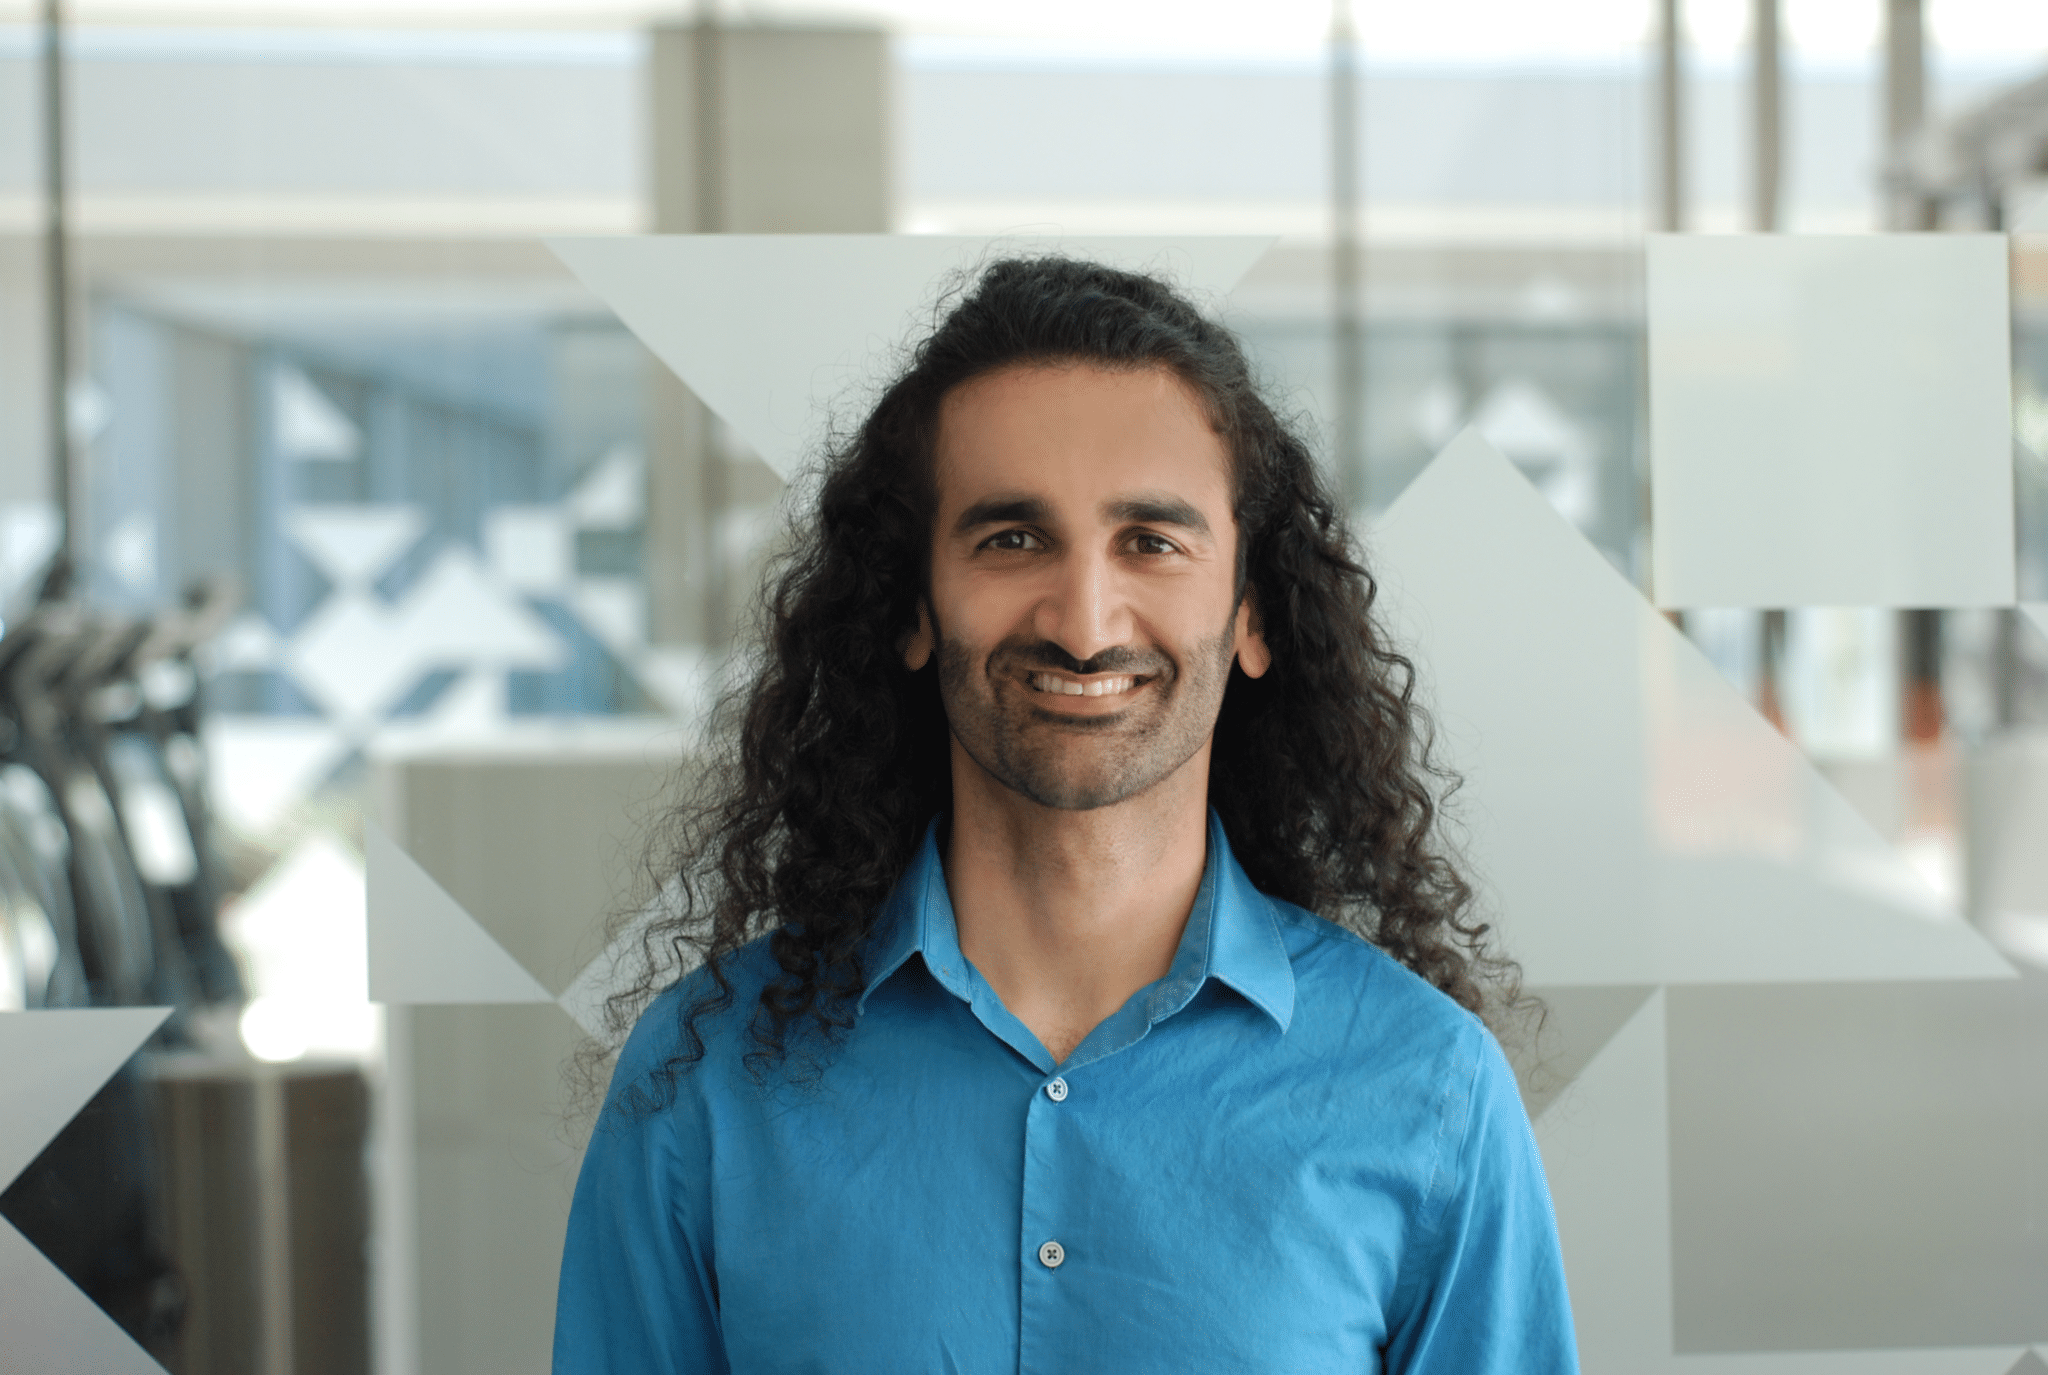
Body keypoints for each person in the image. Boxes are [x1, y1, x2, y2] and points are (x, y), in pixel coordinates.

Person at [554, 256, 1577, 1373]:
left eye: (1150, 541)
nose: (1084, 624)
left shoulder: (1426, 1090)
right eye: (1011, 539)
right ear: (911, 608)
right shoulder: (706, 1087)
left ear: (1250, 615)